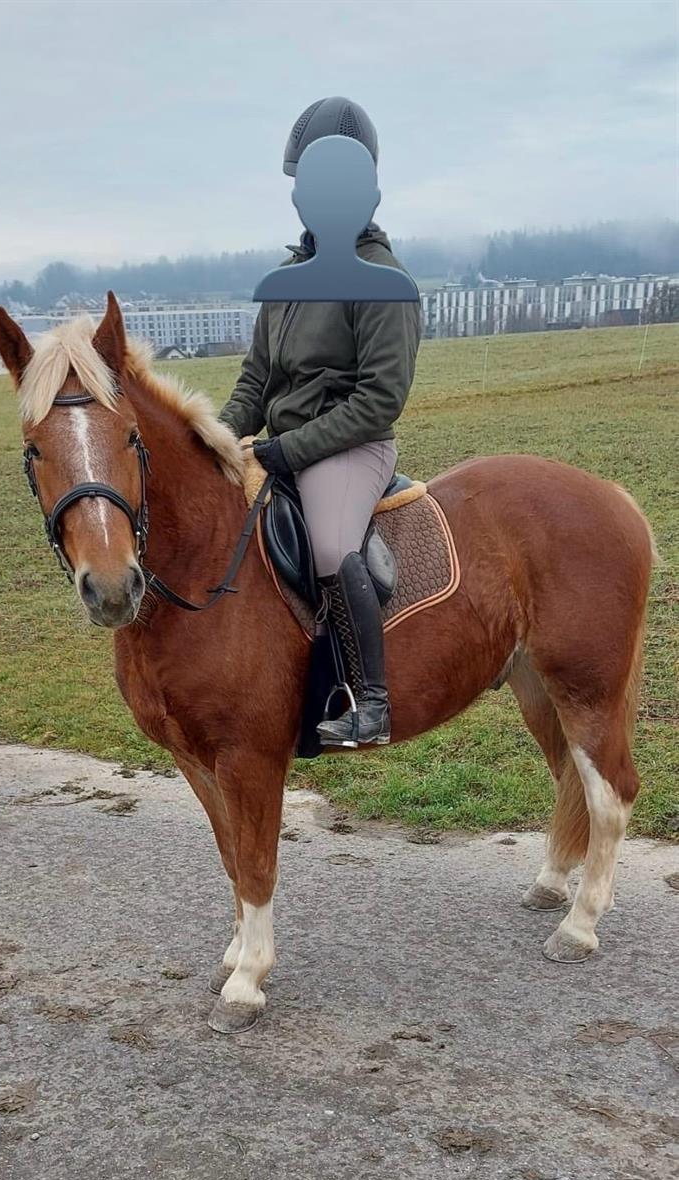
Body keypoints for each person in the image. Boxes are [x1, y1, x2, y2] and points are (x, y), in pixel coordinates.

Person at [218, 96, 422, 748]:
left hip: (351, 448)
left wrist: (291, 449)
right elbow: (256, 379)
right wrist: (218, 438)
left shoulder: (384, 281)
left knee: (334, 545)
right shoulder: (287, 279)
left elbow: (378, 401)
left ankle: (371, 703)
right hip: (286, 446)